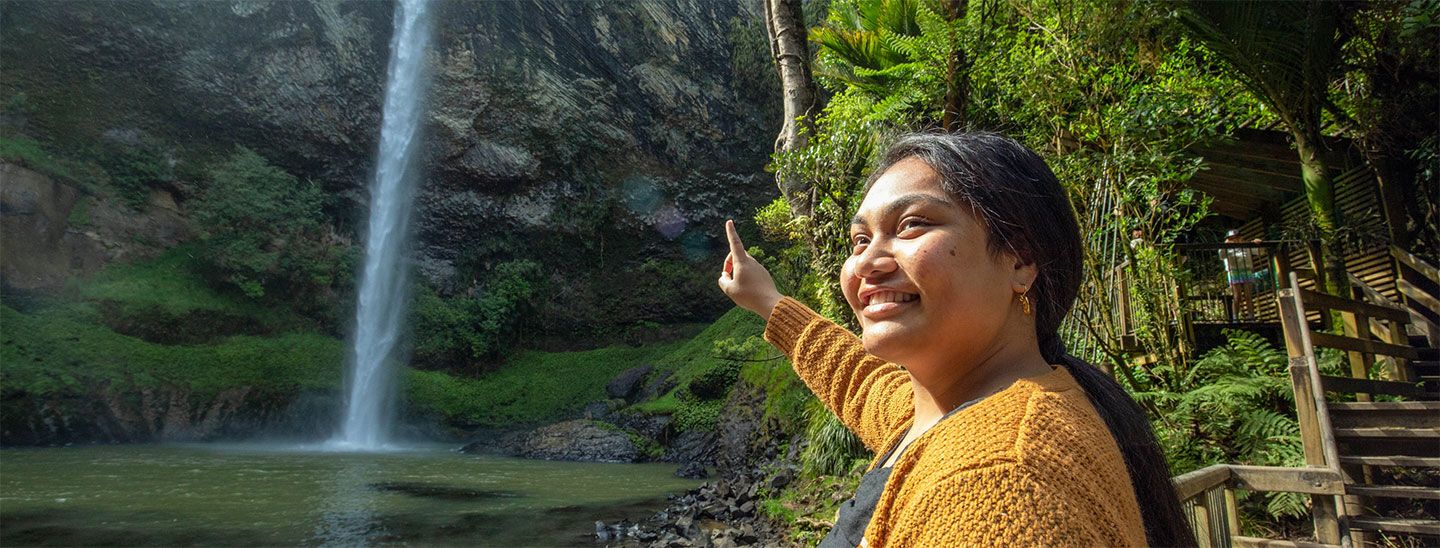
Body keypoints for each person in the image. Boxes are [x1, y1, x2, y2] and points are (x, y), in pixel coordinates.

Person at [718, 132, 1191, 546]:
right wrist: (767, 300)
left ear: (1020, 261)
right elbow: (858, 381)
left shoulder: (999, 481)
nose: (865, 263)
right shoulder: (946, 410)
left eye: (911, 225)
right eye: (859, 240)